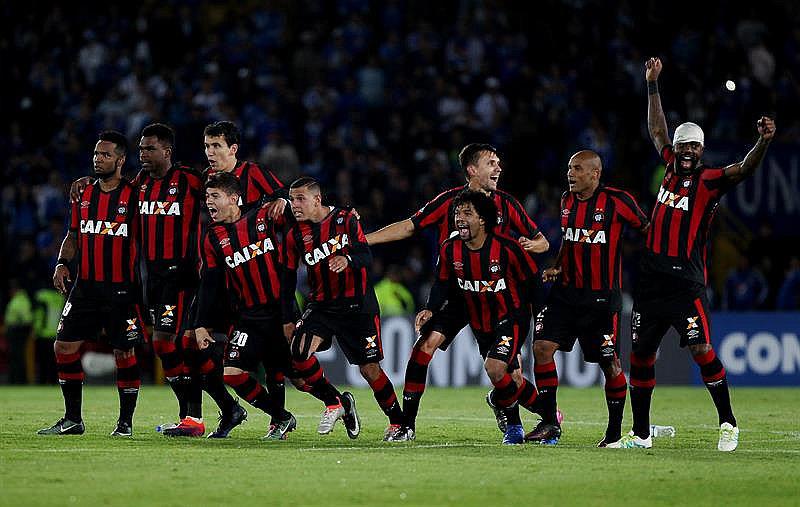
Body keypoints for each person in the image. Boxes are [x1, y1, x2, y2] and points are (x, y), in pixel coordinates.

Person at [611, 58, 776, 451]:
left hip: (685, 283)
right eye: (683, 144)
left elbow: (744, 170)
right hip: (651, 282)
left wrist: (764, 142)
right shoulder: (668, 166)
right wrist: (652, 85)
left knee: (702, 350)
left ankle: (728, 423)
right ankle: (642, 434)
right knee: (641, 357)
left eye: (694, 146)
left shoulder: (709, 180)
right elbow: (655, 129)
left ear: (701, 151)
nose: (687, 150)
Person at [366, 143, 549, 442]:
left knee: (509, 376)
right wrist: (366, 240)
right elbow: (411, 226)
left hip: (497, 298)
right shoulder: (449, 202)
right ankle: (405, 424)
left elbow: (541, 242)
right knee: (424, 348)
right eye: (491, 163)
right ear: (472, 170)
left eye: (499, 163)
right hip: (457, 292)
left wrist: (528, 246)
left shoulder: (507, 204)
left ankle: (526, 415)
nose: (498, 169)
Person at [529, 150, 649, 447]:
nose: (570, 173)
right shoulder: (567, 201)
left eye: (577, 168)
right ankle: (548, 422)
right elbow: (569, 240)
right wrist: (556, 265)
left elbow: (648, 230)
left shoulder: (618, 202)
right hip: (565, 295)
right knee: (542, 348)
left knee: (610, 365)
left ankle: (614, 431)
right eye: (569, 167)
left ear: (595, 173)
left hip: (601, 300)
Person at [407, 190, 544, 444]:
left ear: (482, 220)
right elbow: (442, 283)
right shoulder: (451, 249)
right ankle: (548, 416)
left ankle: (514, 427)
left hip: (511, 317)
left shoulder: (506, 248)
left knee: (494, 368)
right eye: (457, 213)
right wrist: (430, 308)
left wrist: (539, 317)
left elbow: (533, 281)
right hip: (480, 321)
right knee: (509, 378)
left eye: (467, 213)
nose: (459, 218)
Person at [38, 131, 144, 436]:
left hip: (122, 288)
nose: (98, 160)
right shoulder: (83, 193)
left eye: (106, 155)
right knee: (63, 346)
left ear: (121, 160)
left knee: (124, 353)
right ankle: (73, 419)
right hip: (85, 286)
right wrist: (61, 262)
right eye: (96, 154)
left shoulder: (135, 194)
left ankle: (125, 423)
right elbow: (73, 235)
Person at [283, 177, 405, 441]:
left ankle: (398, 423)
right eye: (292, 199)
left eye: (300, 199)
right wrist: (288, 314)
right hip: (323, 306)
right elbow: (287, 276)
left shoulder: (346, 218)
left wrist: (347, 259)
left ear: (317, 199)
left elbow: (365, 255)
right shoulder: (296, 234)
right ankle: (337, 402)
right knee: (298, 352)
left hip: (358, 306)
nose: (295, 205)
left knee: (369, 370)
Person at [193, 172, 296, 439]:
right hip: (247, 316)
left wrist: (285, 200)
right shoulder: (212, 237)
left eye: (214, 196)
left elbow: (302, 215)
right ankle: (281, 418)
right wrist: (200, 324)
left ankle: (338, 403)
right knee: (232, 373)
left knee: (300, 377)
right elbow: (210, 283)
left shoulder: (263, 215)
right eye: (207, 198)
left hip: (280, 311)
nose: (209, 203)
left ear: (234, 198)